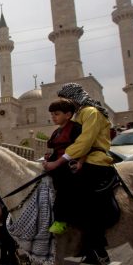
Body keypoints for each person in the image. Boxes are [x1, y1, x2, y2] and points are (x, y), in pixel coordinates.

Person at [43, 83, 115, 265]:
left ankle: (98, 251)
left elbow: (86, 141)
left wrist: (60, 161)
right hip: (83, 158)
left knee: (80, 196)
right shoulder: (79, 116)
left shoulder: (90, 112)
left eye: (66, 100)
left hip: (97, 161)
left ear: (74, 97)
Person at [43, 99, 83, 236]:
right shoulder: (56, 132)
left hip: (70, 164)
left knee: (63, 183)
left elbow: (81, 148)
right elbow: (56, 151)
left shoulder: (76, 128)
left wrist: (80, 162)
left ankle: (61, 220)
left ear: (68, 115)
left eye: (56, 114)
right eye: (52, 114)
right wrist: (48, 160)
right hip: (58, 163)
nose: (53, 117)